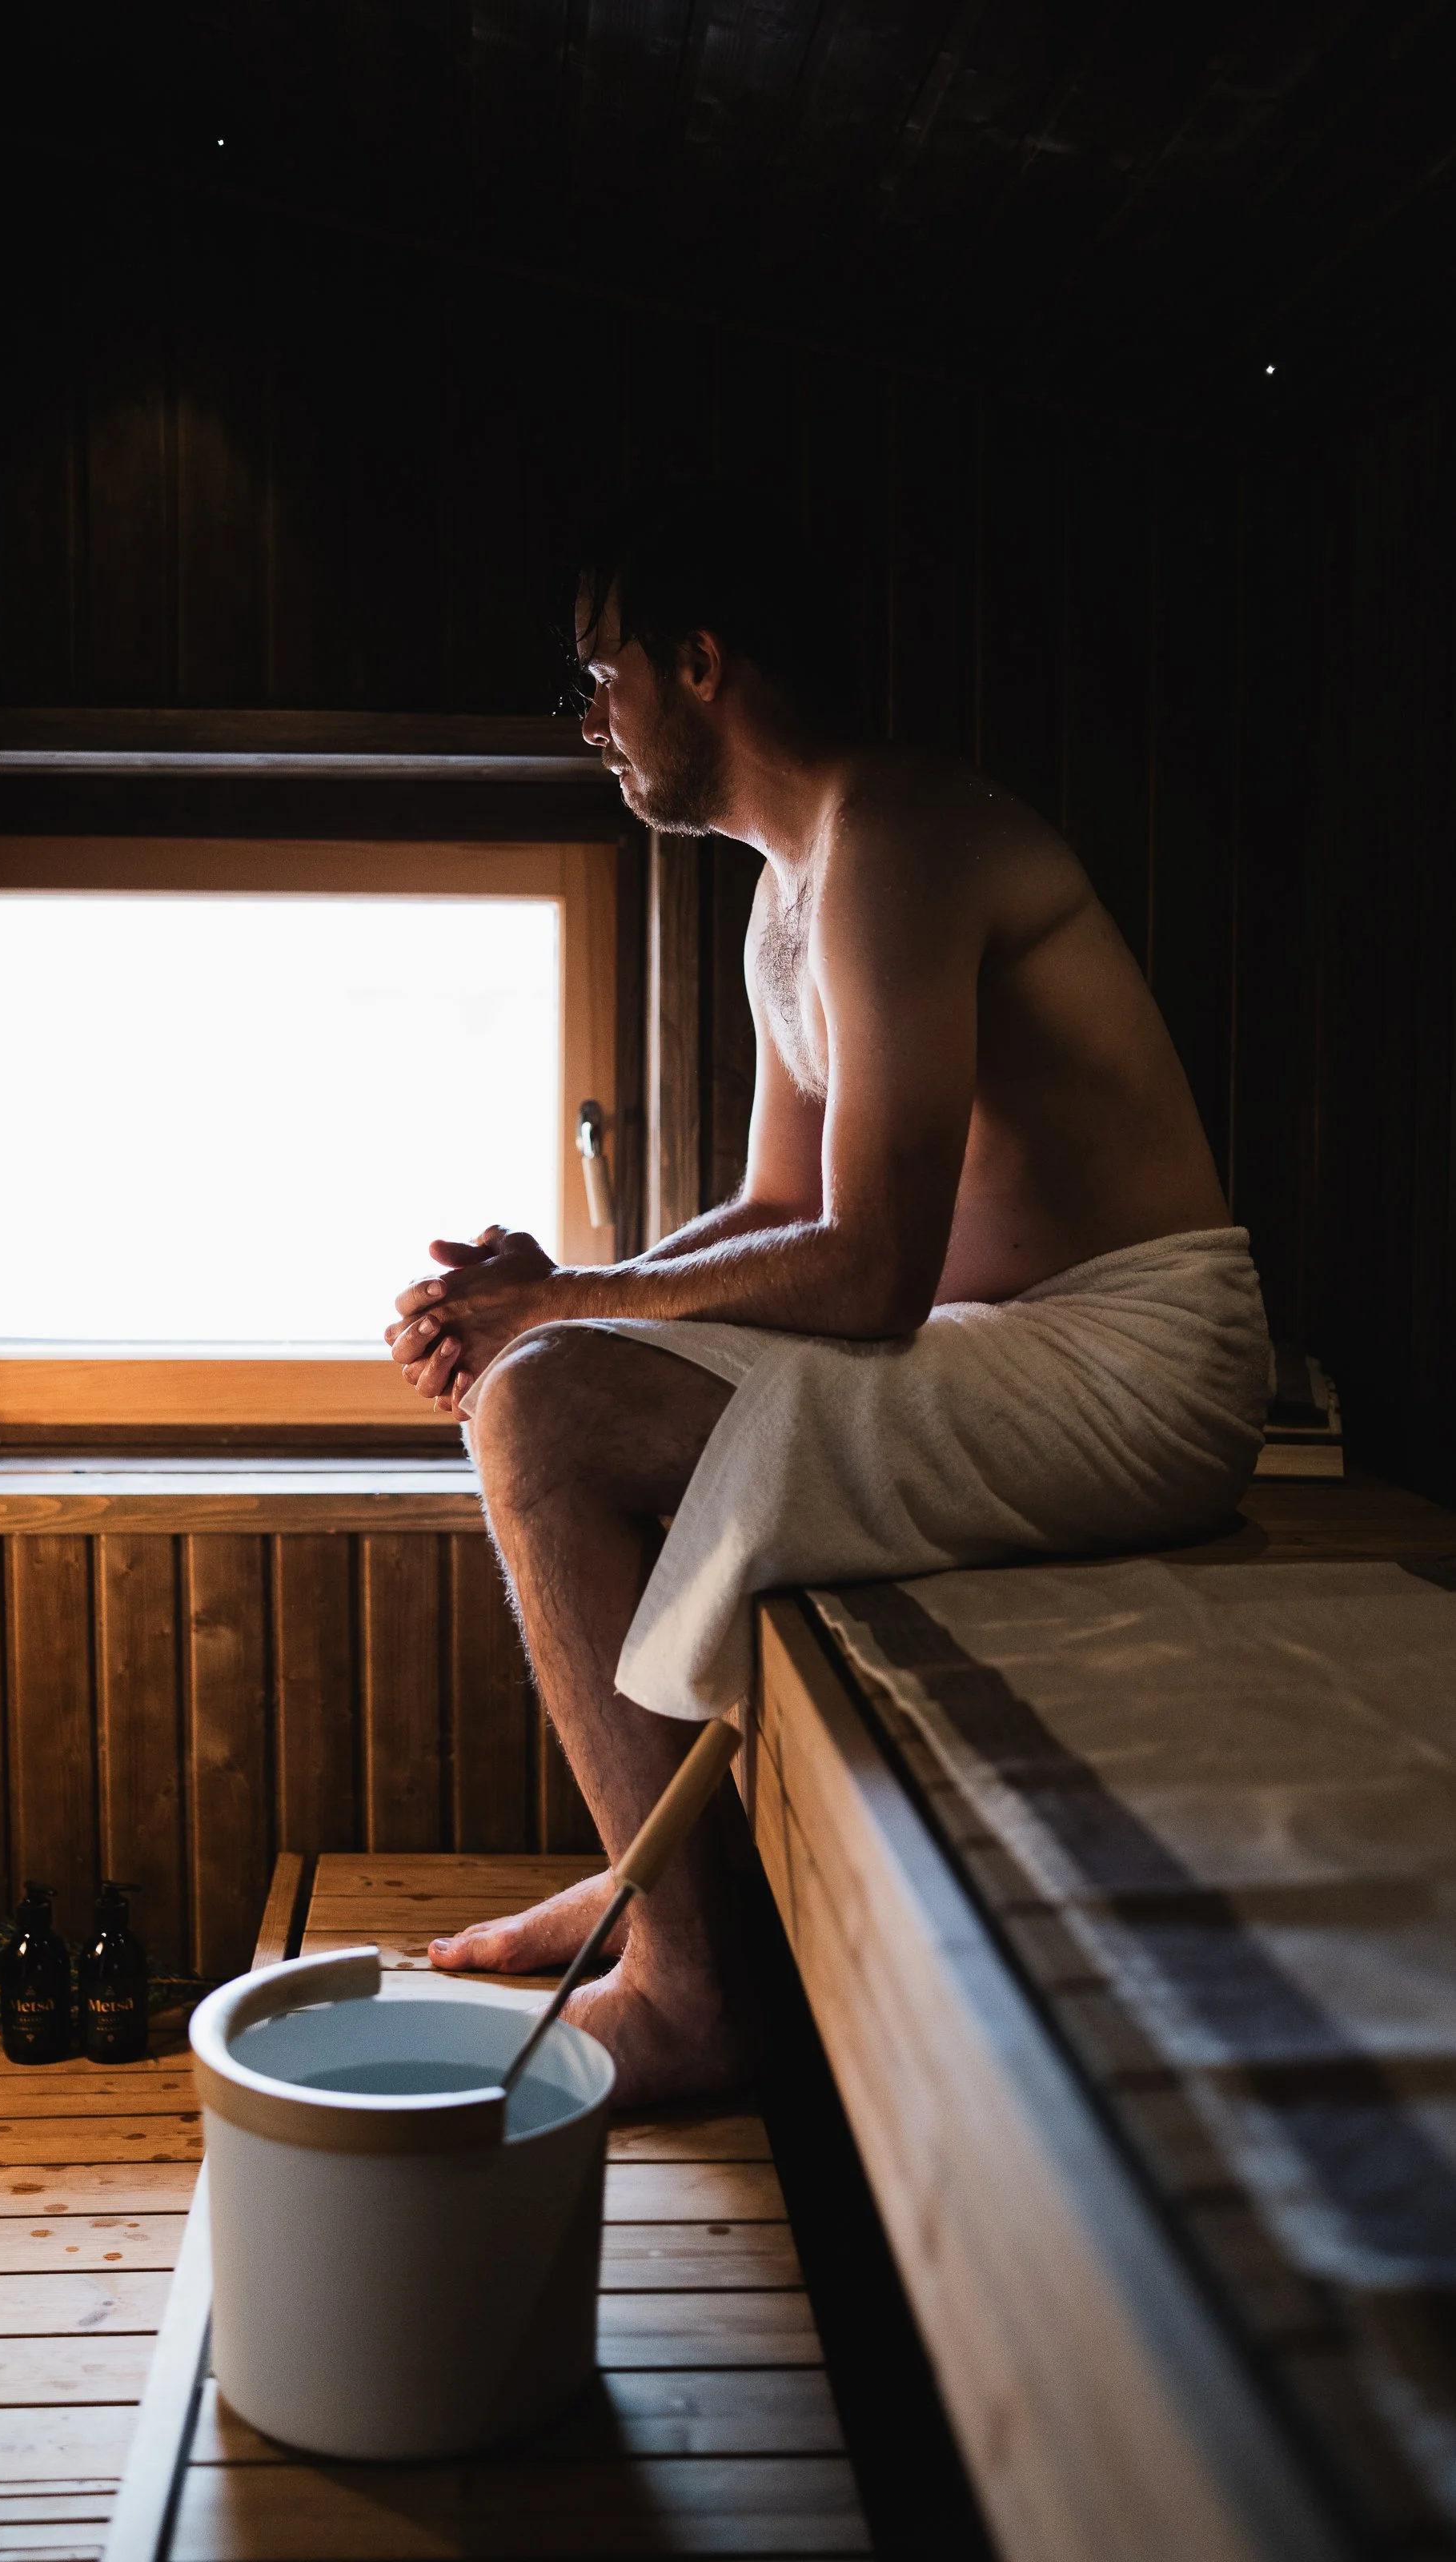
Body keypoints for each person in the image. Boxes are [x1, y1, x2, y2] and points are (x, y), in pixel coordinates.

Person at [383, 485, 1269, 2105]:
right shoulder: (789, 886)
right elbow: (779, 1211)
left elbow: (865, 1270)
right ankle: (660, 1882)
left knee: (542, 1415)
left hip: (1141, 1364)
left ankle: (690, 1992)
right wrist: (562, 1293)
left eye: (598, 674)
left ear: (700, 662)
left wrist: (558, 1319)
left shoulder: (900, 836)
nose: (588, 721)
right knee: (551, 1377)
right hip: (1006, 1340)